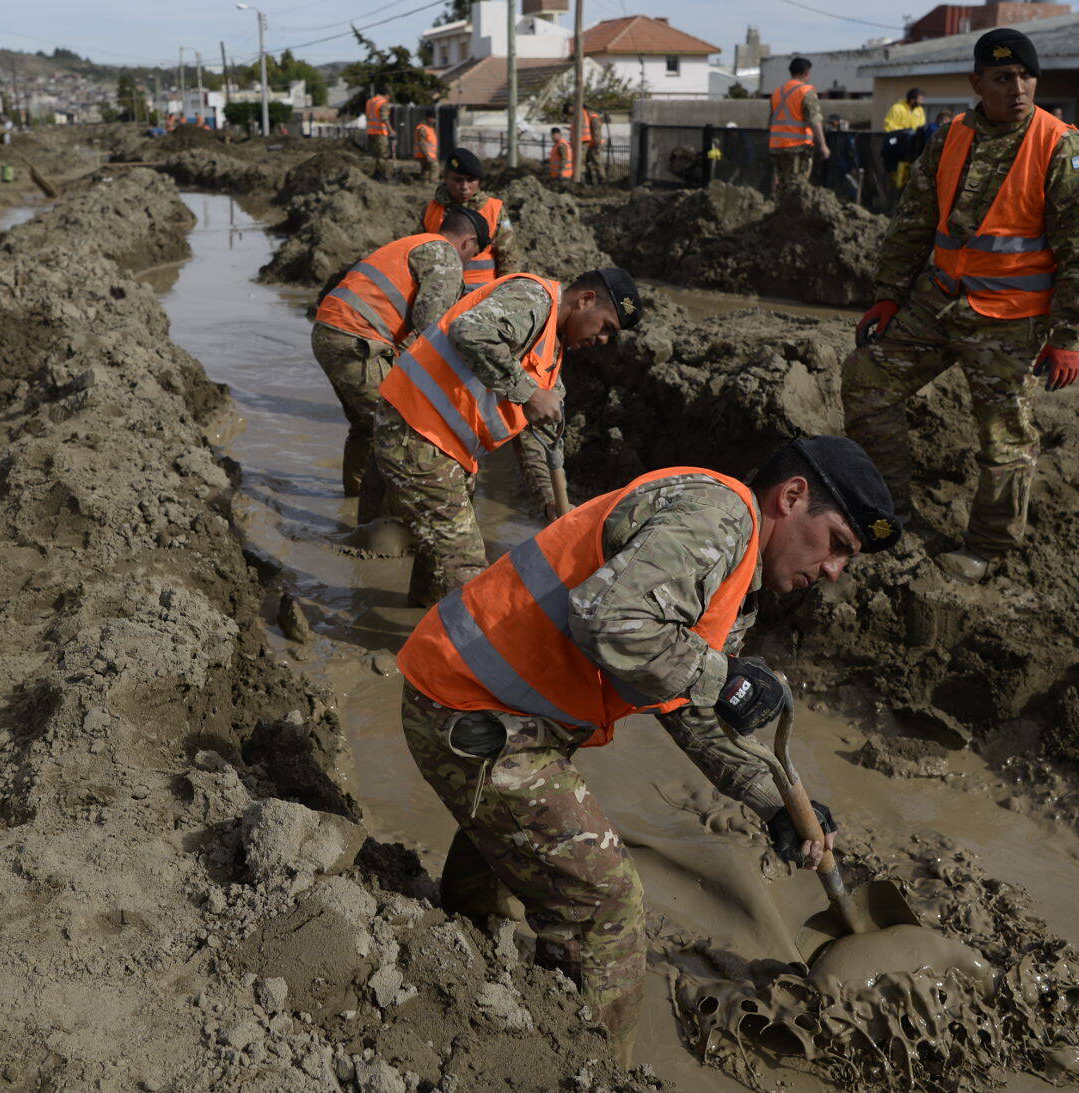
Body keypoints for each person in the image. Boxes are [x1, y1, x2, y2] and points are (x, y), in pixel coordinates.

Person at [398, 436, 902, 1064]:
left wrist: (772, 800)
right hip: (472, 709)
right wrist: (726, 680)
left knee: (506, 860)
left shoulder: (734, 570)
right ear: (792, 497)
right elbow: (613, 620)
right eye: (838, 545)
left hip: (488, 701)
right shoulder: (715, 519)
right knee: (604, 907)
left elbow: (682, 697)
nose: (834, 571)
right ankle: (593, 1069)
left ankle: (461, 959)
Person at [841, 27, 1079, 583]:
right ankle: (891, 515)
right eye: (1004, 77)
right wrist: (888, 294)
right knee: (866, 380)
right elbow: (914, 218)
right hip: (937, 304)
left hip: (1011, 321)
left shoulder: (1060, 145)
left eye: (1027, 76)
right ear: (977, 83)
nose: (1018, 88)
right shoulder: (949, 136)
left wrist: (1069, 337)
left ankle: (987, 548)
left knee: (1004, 438)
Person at [373, 265, 639, 605]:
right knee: (465, 570)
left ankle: (415, 636)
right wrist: (527, 391)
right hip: (415, 431)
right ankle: (463, 655)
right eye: (606, 327)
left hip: (446, 449)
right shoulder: (534, 299)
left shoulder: (551, 351)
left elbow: (533, 437)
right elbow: (469, 330)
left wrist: (549, 502)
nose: (602, 340)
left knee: (437, 564)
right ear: (586, 299)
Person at [312, 207, 487, 523]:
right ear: (468, 242)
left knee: (366, 428)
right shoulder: (445, 255)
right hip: (359, 340)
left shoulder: (412, 243)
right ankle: (377, 529)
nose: (470, 262)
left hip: (330, 331)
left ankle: (351, 504)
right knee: (395, 433)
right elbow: (430, 325)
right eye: (473, 254)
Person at [421, 147, 508, 290]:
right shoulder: (431, 210)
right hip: (440, 292)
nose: (464, 187)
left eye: (471, 180)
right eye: (458, 180)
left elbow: (508, 258)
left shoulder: (494, 209)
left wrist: (503, 294)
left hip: (482, 295)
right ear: (445, 178)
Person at [767, 56, 829, 195]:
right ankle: (790, 214)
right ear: (806, 72)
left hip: (777, 146)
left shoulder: (777, 92)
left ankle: (778, 210)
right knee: (796, 186)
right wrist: (823, 145)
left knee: (781, 183)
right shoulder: (806, 92)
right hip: (796, 147)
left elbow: (771, 121)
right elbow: (814, 120)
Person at [882, 88, 927, 190]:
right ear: (912, 99)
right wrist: (904, 131)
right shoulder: (897, 108)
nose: (922, 102)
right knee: (897, 173)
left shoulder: (919, 110)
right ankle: (895, 191)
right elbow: (889, 126)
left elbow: (922, 126)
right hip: (899, 145)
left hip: (913, 147)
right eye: (920, 99)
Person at [364, 85, 392, 176]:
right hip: (380, 132)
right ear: (386, 94)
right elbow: (384, 118)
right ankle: (381, 175)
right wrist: (391, 130)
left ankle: (376, 173)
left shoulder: (370, 101)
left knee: (376, 155)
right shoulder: (383, 102)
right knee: (383, 155)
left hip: (370, 132)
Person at [577, 105, 604, 183]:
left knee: (597, 162)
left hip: (593, 145)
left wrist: (596, 145)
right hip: (589, 145)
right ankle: (589, 180)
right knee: (587, 163)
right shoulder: (587, 118)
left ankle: (601, 180)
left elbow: (597, 134)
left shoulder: (593, 118)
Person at [414, 111, 439, 182]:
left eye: (434, 118)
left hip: (428, 154)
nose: (433, 120)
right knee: (435, 167)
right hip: (425, 154)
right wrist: (427, 155)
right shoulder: (423, 128)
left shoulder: (430, 129)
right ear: (427, 118)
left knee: (425, 170)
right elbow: (422, 142)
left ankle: (424, 183)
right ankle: (432, 183)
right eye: (431, 118)